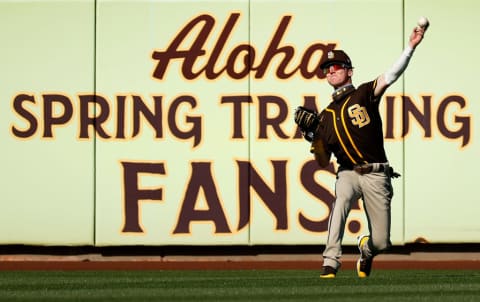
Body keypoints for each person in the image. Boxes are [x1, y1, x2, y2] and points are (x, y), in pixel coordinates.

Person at [299, 25, 426, 278]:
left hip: (376, 173)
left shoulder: (364, 93)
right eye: (327, 69)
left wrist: (410, 47)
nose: (331, 71)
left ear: (349, 71)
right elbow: (322, 158)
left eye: (336, 66)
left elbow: (391, 74)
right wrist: (309, 134)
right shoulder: (324, 116)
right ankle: (330, 260)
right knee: (341, 202)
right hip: (347, 172)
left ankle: (366, 251)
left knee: (381, 242)